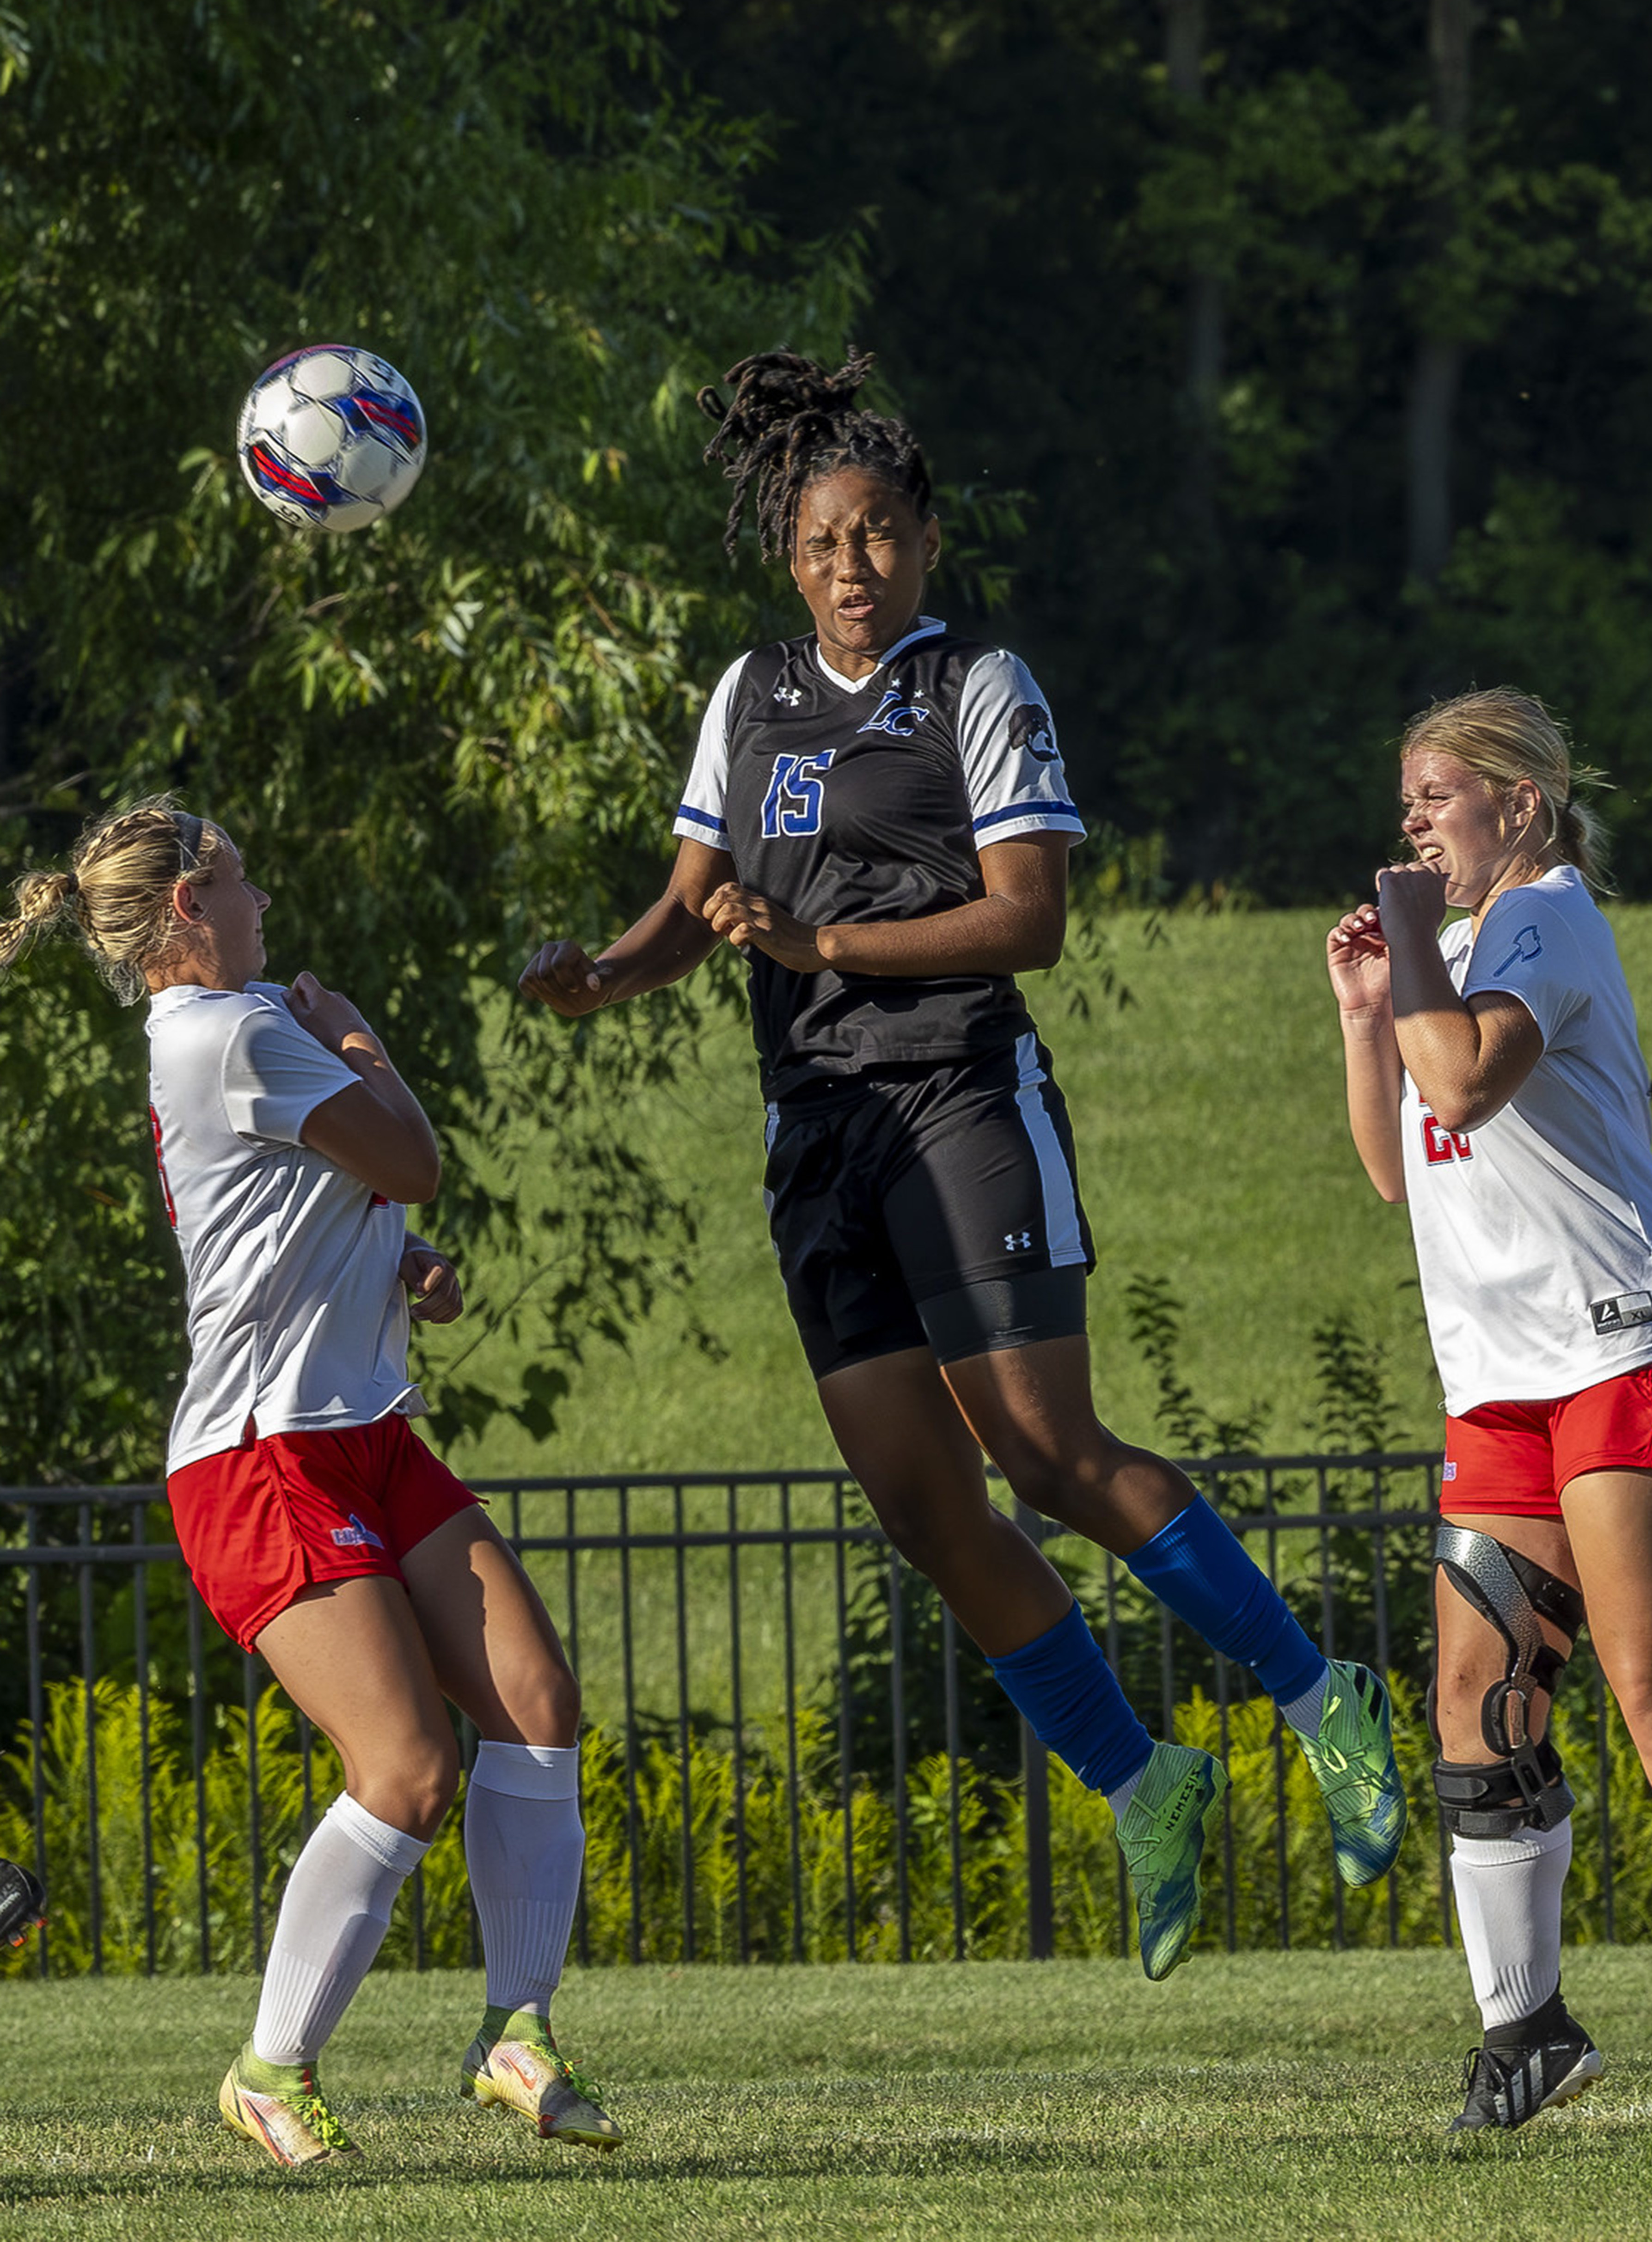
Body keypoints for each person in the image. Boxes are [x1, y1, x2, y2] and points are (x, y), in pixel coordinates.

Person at [521, 347, 1407, 1977]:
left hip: (959, 1098)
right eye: (817, 546)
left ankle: (1317, 1696)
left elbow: (1033, 918)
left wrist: (826, 937)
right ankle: (1147, 1783)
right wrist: (606, 971)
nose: (848, 570)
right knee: (925, 1506)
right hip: (818, 1133)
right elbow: (689, 899)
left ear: (922, 540)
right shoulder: (748, 694)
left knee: (1044, 1450)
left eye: (875, 537)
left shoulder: (976, 689)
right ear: (786, 560)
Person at [0, 800, 618, 2166]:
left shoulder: (236, 1023)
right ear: (184, 907)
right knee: (404, 1767)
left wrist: (391, 1268)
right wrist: (365, 1041)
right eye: (238, 878)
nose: (262, 895)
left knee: (536, 1700)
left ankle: (518, 2026)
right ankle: (270, 2070)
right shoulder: (229, 1030)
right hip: (258, 1458)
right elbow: (412, 1157)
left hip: (362, 1431)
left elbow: (300, 1215)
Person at [1326, 687, 1652, 2132]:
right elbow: (1401, 1167)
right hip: (1508, 1377)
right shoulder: (1454, 947)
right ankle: (1527, 2031)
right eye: (1406, 804)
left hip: (1629, 1342)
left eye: (1438, 797)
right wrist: (1365, 1009)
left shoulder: (1545, 917)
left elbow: (1464, 1074)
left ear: (1521, 802)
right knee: (1474, 1693)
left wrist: (1406, 953)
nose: (1415, 825)